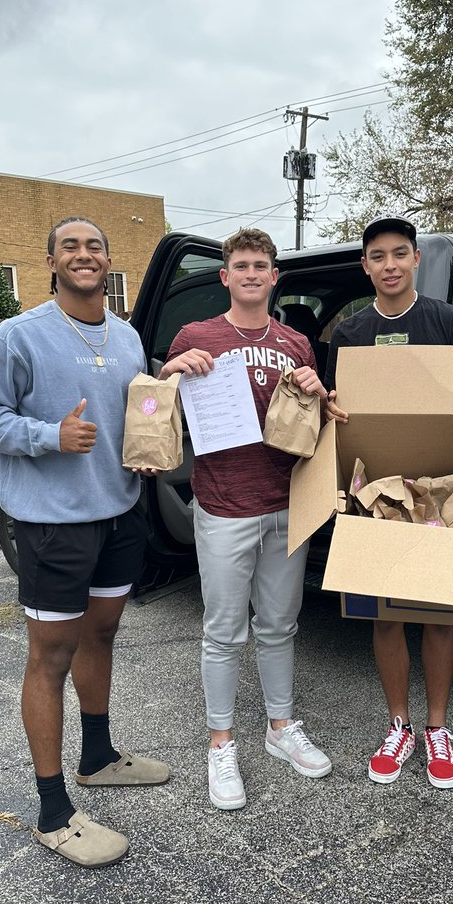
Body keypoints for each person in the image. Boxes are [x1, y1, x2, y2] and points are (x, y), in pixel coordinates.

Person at [0, 217, 169, 867]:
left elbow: (138, 412)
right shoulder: (18, 336)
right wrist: (50, 436)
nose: (85, 255)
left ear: (108, 261)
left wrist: (147, 449)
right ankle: (53, 811)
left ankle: (98, 756)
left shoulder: (128, 336)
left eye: (95, 246)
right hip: (53, 522)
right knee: (49, 657)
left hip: (119, 515)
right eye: (71, 246)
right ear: (50, 260)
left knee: (102, 634)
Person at [158, 228, 331, 811]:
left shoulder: (296, 342)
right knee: (224, 629)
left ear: (274, 277)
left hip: (286, 502)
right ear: (225, 276)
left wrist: (319, 388)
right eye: (241, 265)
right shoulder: (196, 336)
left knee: (281, 625)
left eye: (262, 265)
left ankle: (281, 728)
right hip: (224, 506)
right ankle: (221, 742)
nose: (252, 273)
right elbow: (153, 408)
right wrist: (170, 371)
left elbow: (320, 422)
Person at [324, 215, 453, 791]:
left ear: (415, 259)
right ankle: (399, 726)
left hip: (441, 489)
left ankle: (438, 729)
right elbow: (336, 413)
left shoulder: (450, 322)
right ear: (365, 266)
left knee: (439, 618)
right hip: (374, 492)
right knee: (385, 615)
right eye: (377, 256)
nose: (389, 265)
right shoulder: (349, 333)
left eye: (399, 254)